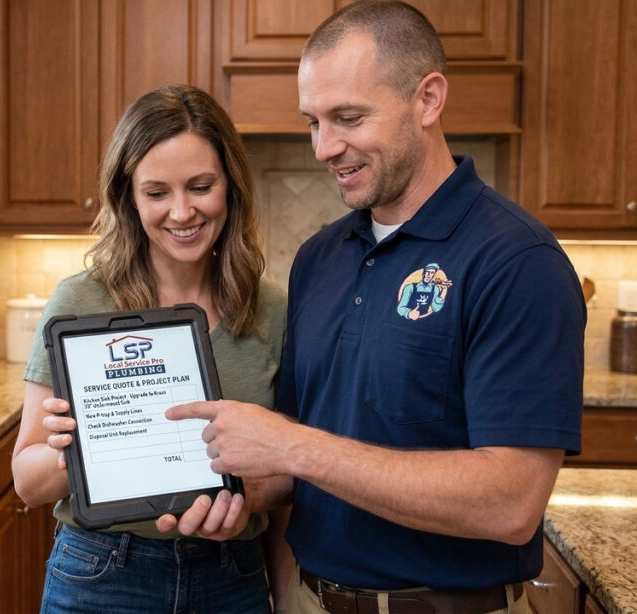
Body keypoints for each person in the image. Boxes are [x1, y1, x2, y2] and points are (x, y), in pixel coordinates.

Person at [164, 2, 586, 613]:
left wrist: (293, 446)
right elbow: (296, 466)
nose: (324, 147)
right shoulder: (318, 258)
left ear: (428, 99)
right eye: (313, 122)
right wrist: (232, 494)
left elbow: (511, 503)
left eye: (348, 117)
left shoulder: (516, 261)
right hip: (310, 600)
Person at [11, 84, 291, 613]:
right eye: (157, 192)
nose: (181, 212)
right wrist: (91, 445)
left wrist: (242, 497)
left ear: (231, 186)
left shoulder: (272, 309)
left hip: (232, 575)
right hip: (101, 575)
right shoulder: (80, 303)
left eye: (200, 186)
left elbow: (292, 474)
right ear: (130, 198)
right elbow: (27, 481)